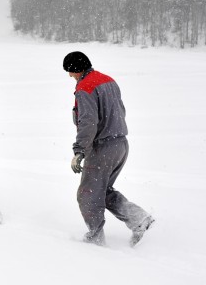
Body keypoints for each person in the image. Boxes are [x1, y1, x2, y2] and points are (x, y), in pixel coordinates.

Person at [63, 51, 154, 246]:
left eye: (70, 72)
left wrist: (79, 150)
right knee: (101, 190)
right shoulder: (107, 80)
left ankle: (95, 239)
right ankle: (138, 218)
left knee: (87, 194)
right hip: (120, 144)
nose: (70, 76)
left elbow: (88, 121)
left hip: (102, 148)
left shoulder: (85, 87)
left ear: (78, 69)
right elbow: (119, 110)